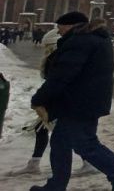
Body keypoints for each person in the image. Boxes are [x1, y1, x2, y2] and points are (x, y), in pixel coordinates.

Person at [29, 12, 114, 191]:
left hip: (78, 102)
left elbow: (62, 74)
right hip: (85, 100)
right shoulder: (95, 38)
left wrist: (40, 98)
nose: (59, 30)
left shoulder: (80, 41)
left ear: (71, 25)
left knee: (85, 143)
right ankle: (56, 185)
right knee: (60, 142)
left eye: (60, 26)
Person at [9, 28, 96, 177]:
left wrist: (43, 99)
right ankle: (35, 164)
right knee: (42, 129)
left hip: (60, 102)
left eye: (47, 47)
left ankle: (87, 163)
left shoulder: (58, 58)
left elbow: (58, 82)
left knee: (68, 134)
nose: (45, 50)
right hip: (57, 101)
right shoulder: (57, 57)